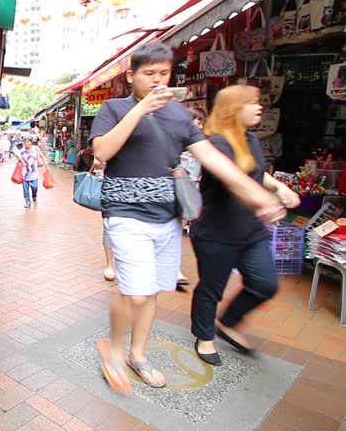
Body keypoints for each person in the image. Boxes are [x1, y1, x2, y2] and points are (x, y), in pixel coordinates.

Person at [89, 43, 286, 394]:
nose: (157, 80)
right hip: (125, 214)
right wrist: (140, 111)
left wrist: (259, 194)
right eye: (148, 73)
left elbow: (212, 158)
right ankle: (114, 351)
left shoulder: (180, 116)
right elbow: (102, 151)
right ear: (132, 75)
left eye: (163, 73)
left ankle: (138, 354)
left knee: (149, 294)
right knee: (135, 292)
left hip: (168, 218)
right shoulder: (114, 107)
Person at [189, 85, 300, 365]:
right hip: (216, 231)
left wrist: (279, 188)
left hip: (250, 231)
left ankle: (228, 322)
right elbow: (234, 181)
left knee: (265, 283)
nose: (259, 107)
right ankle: (204, 336)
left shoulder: (249, 138)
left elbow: (255, 173)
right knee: (212, 288)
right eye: (251, 103)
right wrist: (263, 202)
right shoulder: (216, 144)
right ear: (232, 108)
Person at [176, 106, 209, 287]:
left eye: (202, 122)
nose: (200, 125)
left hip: (192, 192)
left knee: (178, 229)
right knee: (177, 230)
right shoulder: (181, 143)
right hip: (182, 191)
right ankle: (175, 268)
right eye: (197, 121)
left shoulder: (201, 143)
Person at [93, 159, 117, 281]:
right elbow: (97, 162)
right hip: (110, 190)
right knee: (109, 227)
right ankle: (109, 263)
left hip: (135, 191)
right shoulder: (108, 140)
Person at [17, 137, 46, 208]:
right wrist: (19, 162)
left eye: (28, 142)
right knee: (25, 189)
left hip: (34, 172)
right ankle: (27, 202)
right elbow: (19, 160)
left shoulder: (35, 149)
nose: (26, 144)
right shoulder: (21, 150)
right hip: (25, 173)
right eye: (25, 142)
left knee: (34, 187)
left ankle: (34, 197)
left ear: (31, 142)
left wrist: (46, 165)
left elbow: (42, 157)